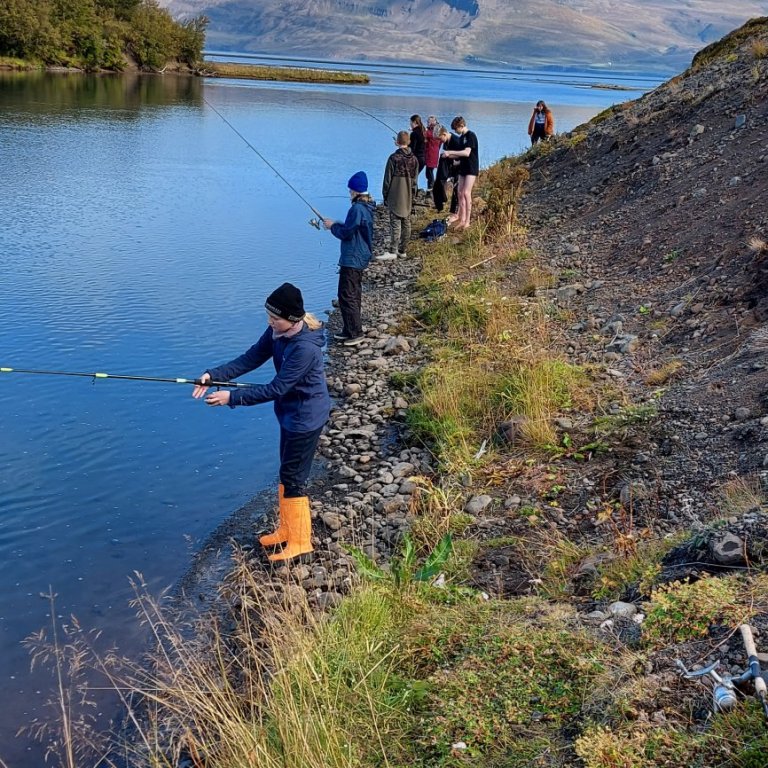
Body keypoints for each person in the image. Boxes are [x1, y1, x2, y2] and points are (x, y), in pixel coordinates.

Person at [192, 283, 330, 562]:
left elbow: (275, 388)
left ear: (292, 319)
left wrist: (232, 398)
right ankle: (285, 529)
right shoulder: (278, 332)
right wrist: (213, 375)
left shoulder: (304, 349)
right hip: (290, 414)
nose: (269, 322)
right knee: (286, 473)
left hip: (306, 417)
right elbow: (251, 357)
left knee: (294, 479)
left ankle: (301, 541)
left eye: (274, 318)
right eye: (268, 316)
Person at [322, 171, 375, 347]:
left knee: (347, 295)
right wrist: (338, 224)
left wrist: (332, 227)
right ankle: (349, 329)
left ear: (354, 191)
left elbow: (346, 233)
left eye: (350, 190)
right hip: (358, 255)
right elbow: (354, 228)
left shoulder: (357, 209)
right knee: (353, 293)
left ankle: (355, 332)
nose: (349, 193)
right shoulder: (366, 207)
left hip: (353, 258)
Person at [380, 130, 418, 260]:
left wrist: (385, 195)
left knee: (395, 223)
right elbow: (415, 181)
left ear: (396, 142)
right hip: (408, 195)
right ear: (409, 142)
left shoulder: (393, 158)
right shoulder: (414, 159)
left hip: (395, 194)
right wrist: (413, 197)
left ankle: (393, 250)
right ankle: (403, 250)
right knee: (406, 223)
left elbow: (387, 179)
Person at [441, 116, 478, 230]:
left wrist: (450, 152)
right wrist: (448, 155)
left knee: (467, 193)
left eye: (456, 128)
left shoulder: (471, 135)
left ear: (461, 126)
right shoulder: (462, 137)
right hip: (463, 167)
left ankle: (467, 220)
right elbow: (459, 155)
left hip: (471, 167)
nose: (456, 131)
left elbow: (467, 153)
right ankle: (461, 219)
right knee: (459, 192)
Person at [433, 126, 460, 214]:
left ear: (444, 134)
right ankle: (440, 205)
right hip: (449, 166)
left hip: (459, 166)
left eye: (440, 139)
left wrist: (450, 156)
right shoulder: (446, 141)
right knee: (437, 183)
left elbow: (464, 157)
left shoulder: (456, 141)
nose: (440, 141)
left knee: (457, 189)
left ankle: (454, 211)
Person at [424, 115, 442, 192]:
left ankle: (431, 187)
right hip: (432, 152)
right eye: (428, 121)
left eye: (430, 121)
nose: (429, 122)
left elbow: (428, 135)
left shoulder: (434, 130)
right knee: (429, 171)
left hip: (432, 153)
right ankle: (430, 187)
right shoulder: (433, 129)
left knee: (429, 171)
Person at [409, 114, 426, 189]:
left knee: (411, 178)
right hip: (423, 159)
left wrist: (404, 145)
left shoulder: (414, 134)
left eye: (411, 122)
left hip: (417, 159)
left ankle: (412, 195)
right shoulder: (423, 131)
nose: (410, 124)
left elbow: (412, 149)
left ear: (415, 122)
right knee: (414, 177)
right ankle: (415, 194)